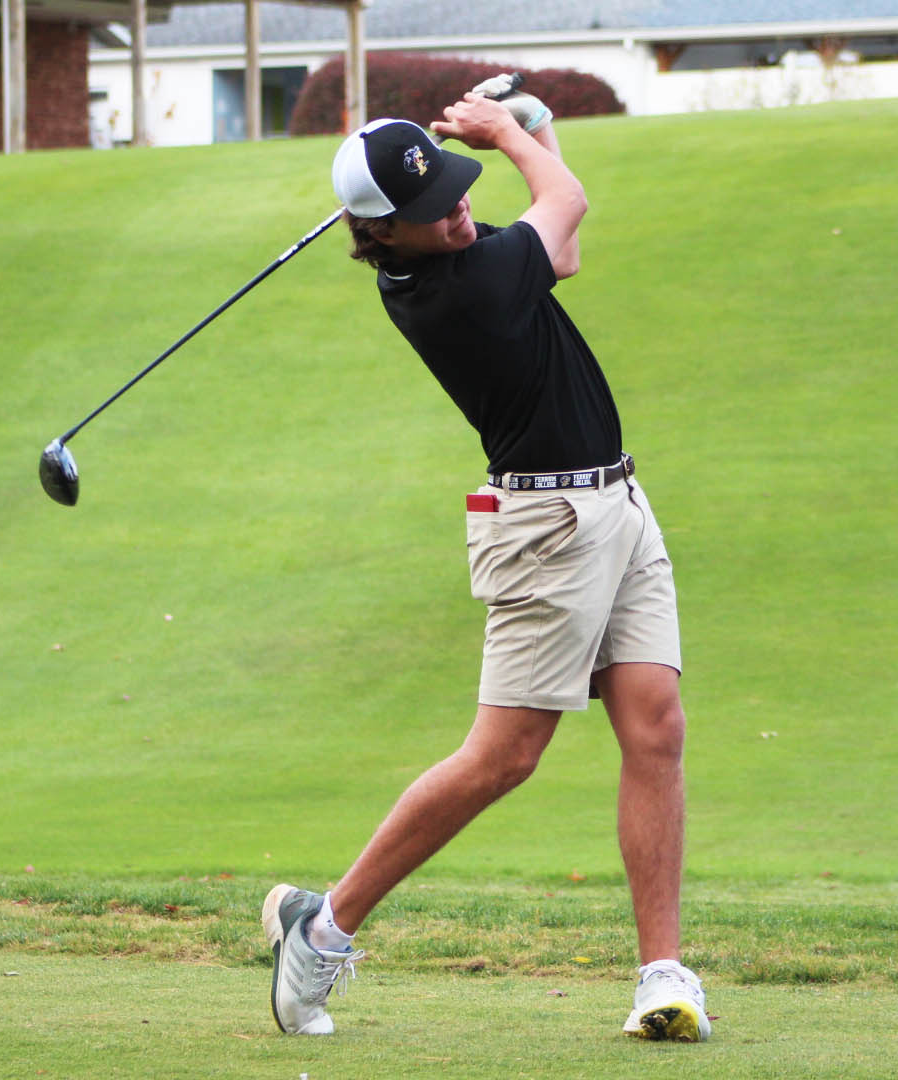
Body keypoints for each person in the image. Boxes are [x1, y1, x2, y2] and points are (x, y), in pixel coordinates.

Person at [261, 77, 708, 1043]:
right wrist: (509, 130)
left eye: (458, 186)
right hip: (546, 531)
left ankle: (663, 976)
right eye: (434, 208)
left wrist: (530, 131)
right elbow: (568, 205)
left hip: (618, 505)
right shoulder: (455, 290)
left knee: (656, 726)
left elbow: (565, 246)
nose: (460, 208)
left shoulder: (463, 255)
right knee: (504, 756)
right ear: (382, 234)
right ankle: (323, 929)